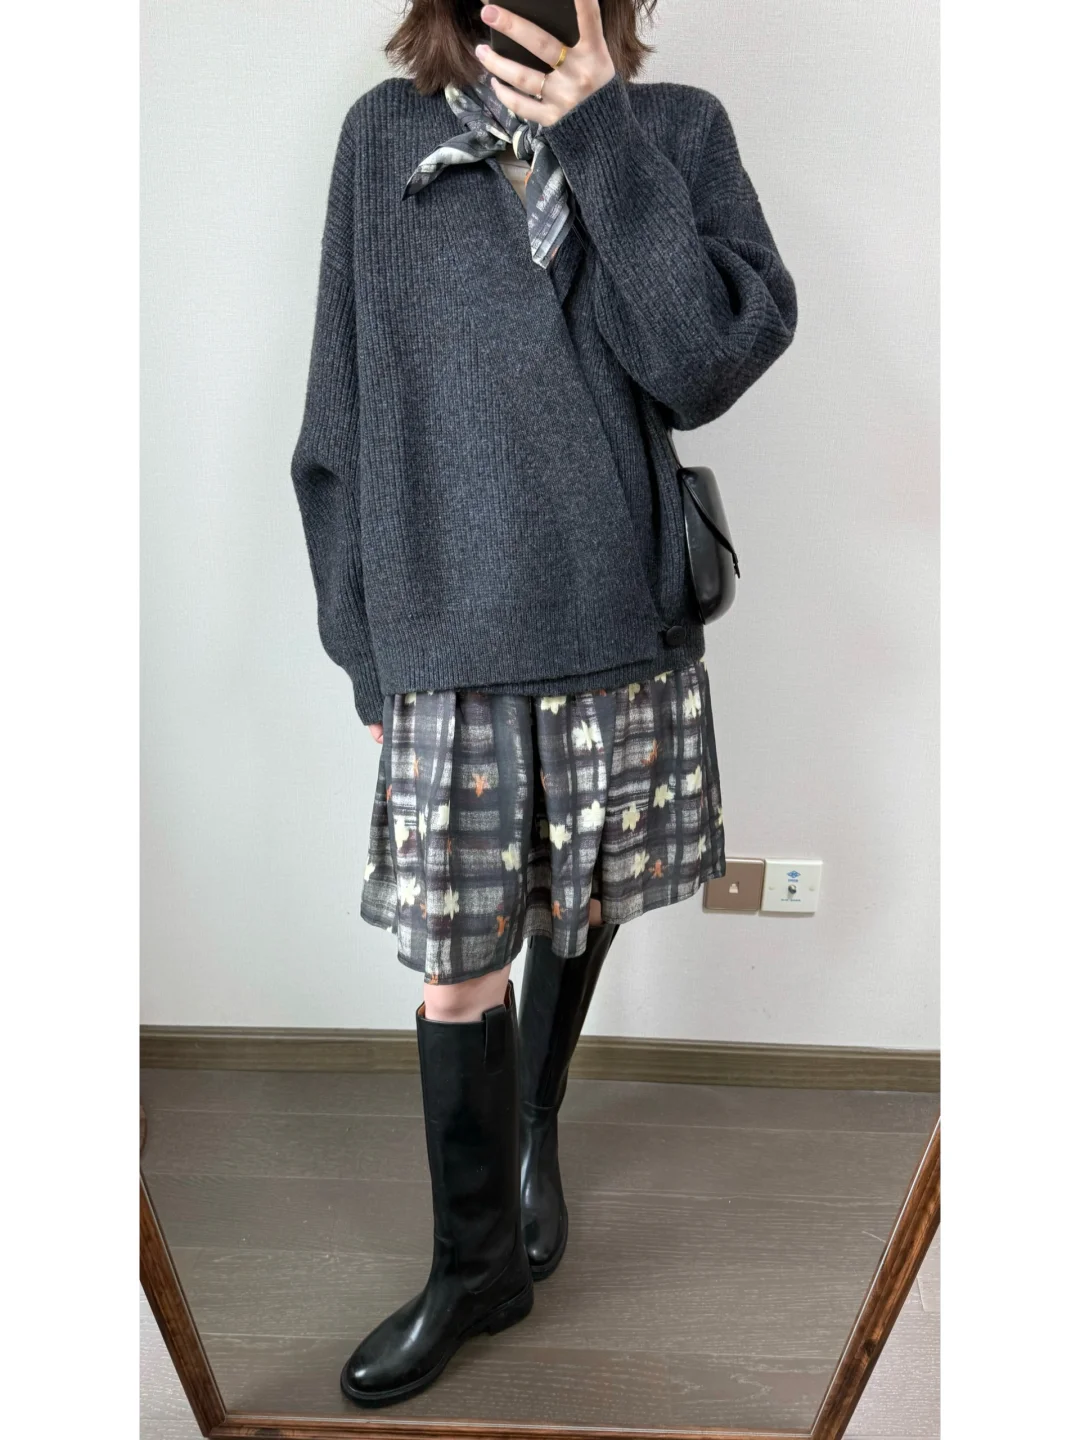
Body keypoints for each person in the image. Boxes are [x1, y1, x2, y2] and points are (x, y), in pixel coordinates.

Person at [291, 0, 797, 1408]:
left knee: (579, 905)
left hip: (616, 616)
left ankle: (533, 1127)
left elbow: (704, 363)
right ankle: (475, 1270)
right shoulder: (382, 139)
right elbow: (339, 408)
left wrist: (602, 135)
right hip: (445, 626)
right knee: (459, 960)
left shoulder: (674, 131)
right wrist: (361, 643)